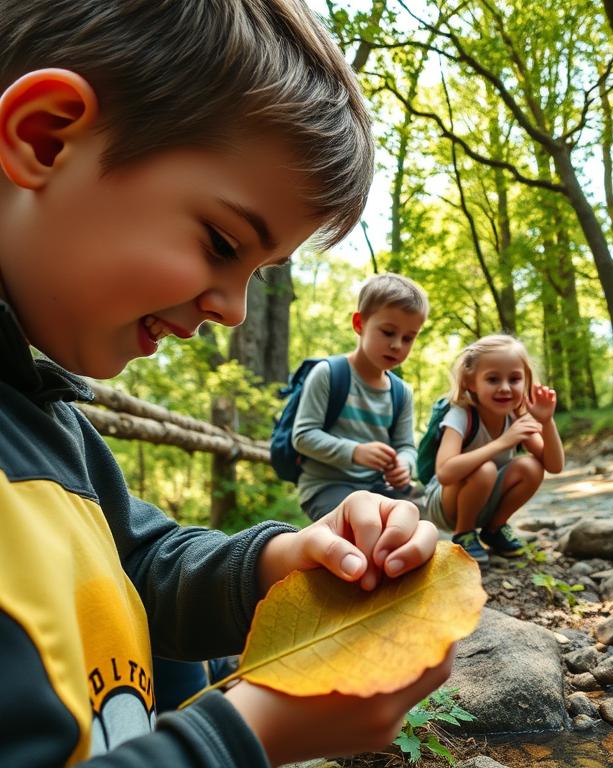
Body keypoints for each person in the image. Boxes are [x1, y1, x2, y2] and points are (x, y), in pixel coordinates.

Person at [0, 2, 450, 765]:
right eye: (220, 242)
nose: (233, 309)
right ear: (44, 138)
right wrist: (250, 735)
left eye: (255, 274)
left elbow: (140, 566)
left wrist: (285, 563)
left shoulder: (52, 427)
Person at [293, 273, 427, 532]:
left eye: (409, 338)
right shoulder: (329, 374)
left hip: (377, 487)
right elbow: (303, 436)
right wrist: (356, 452)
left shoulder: (401, 393)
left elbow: (406, 446)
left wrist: (404, 464)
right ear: (359, 323)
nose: (397, 345)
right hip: (326, 486)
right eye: (388, 332)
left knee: (413, 525)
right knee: (362, 530)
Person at [423, 335, 565, 566]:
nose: (505, 388)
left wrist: (547, 422)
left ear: (526, 381)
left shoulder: (517, 414)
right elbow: (445, 473)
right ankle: (464, 533)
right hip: (445, 505)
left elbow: (554, 466)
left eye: (515, 379)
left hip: (485, 499)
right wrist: (503, 442)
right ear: (471, 382)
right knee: (485, 469)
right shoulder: (461, 415)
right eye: (493, 379)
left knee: (531, 465)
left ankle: (494, 528)